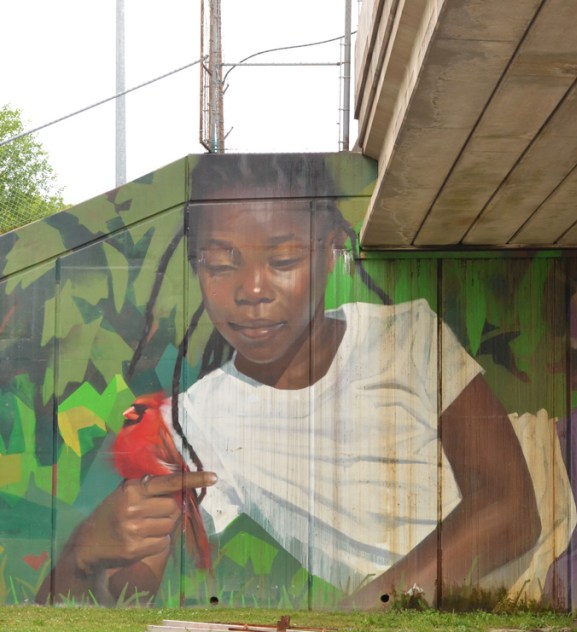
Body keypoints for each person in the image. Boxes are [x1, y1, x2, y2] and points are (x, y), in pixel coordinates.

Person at [37, 154, 541, 606]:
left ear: (332, 250)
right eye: (220, 265)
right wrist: (84, 552)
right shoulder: (196, 420)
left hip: (555, 562)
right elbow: (123, 600)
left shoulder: (407, 338)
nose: (252, 290)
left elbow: (512, 508)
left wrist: (362, 617)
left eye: (283, 261)